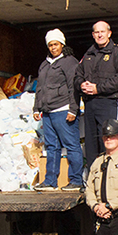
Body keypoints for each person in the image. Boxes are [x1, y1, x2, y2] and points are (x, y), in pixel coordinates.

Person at [75, 21, 118, 168]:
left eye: (102, 32)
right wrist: (81, 84)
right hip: (89, 104)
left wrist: (98, 88)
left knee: (107, 140)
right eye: (96, 32)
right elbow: (77, 75)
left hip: (107, 102)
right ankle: (94, 177)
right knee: (90, 143)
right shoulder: (89, 54)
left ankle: (108, 174)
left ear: (109, 33)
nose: (99, 35)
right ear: (93, 35)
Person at [32, 29, 83, 190]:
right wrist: (36, 107)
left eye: (56, 44)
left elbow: (73, 87)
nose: (53, 47)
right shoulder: (44, 64)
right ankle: (49, 181)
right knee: (51, 146)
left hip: (63, 109)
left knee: (71, 145)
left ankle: (76, 181)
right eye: (51, 45)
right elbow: (40, 87)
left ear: (62, 44)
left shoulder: (69, 62)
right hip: (47, 112)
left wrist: (73, 109)